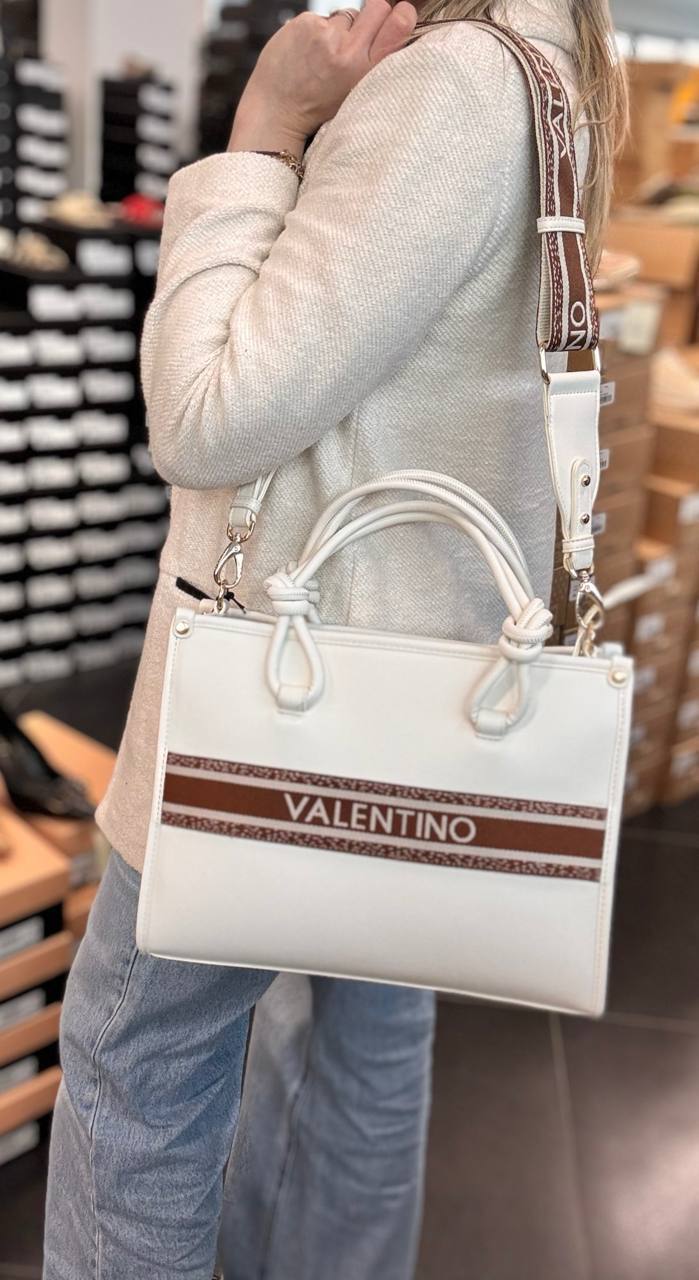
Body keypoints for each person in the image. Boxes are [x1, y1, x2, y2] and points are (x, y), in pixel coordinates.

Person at [43, 2, 627, 1277]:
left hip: (282, 701)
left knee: (138, 1058)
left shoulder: (446, 88)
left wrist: (263, 128)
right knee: (365, 1034)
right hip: (419, 709)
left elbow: (206, 418)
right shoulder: (552, 73)